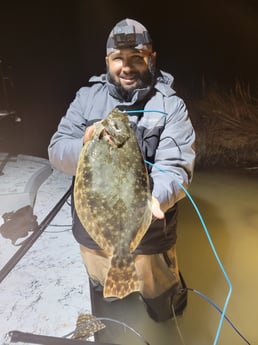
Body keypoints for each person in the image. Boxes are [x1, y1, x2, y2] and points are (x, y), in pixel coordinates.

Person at [48, 18, 195, 322]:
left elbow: (176, 167)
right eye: (118, 59)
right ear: (108, 61)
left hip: (152, 236)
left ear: (150, 59)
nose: (126, 67)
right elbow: (56, 151)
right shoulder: (86, 98)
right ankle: (115, 323)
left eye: (136, 58)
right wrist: (86, 144)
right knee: (106, 298)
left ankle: (165, 320)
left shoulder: (170, 105)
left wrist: (155, 198)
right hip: (93, 237)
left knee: (163, 305)